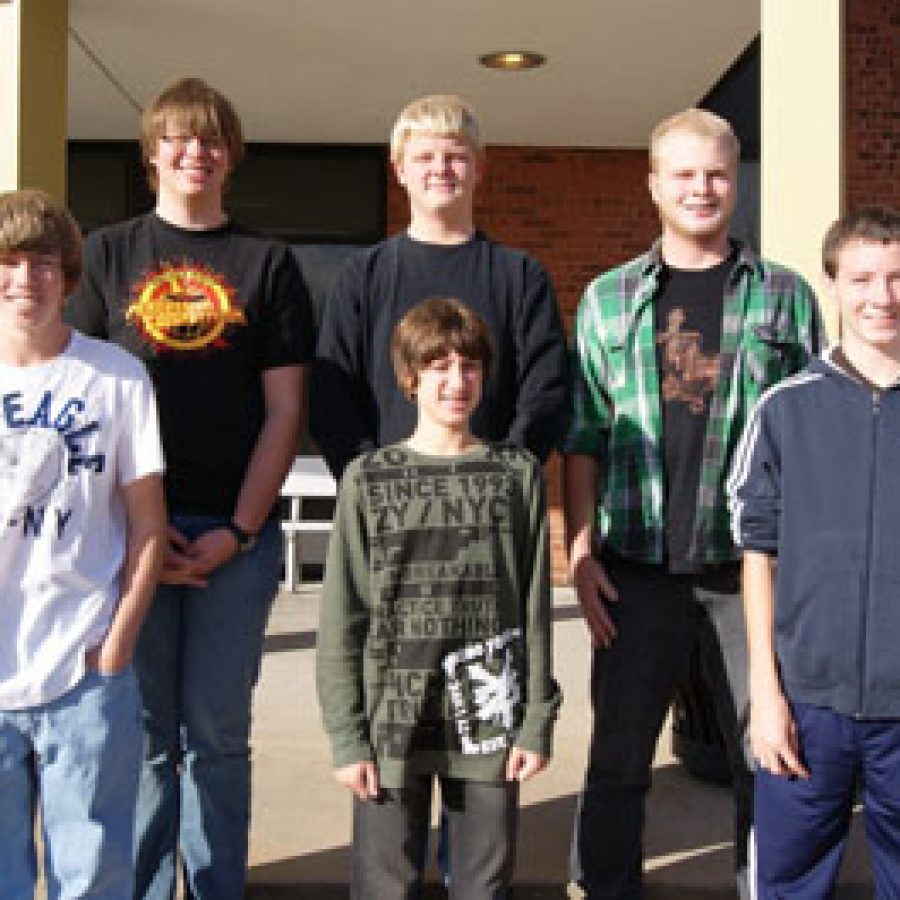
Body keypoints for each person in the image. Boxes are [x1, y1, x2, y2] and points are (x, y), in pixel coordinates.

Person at [563, 108, 822, 899]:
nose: (701, 188)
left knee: (767, 755)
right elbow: (584, 436)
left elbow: (812, 434)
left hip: (749, 566)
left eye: (715, 173)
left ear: (734, 178)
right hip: (636, 565)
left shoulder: (785, 295)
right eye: (683, 174)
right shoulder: (607, 300)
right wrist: (577, 554)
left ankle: (762, 887)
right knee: (618, 761)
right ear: (654, 186)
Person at [66, 78, 314, 899]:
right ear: (151, 155)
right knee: (141, 734)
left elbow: (285, 410)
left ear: (230, 155)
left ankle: (214, 888)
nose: (194, 152)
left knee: (215, 736)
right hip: (130, 535)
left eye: (210, 139)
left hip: (231, 537)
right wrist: (141, 532)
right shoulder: (108, 254)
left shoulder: (267, 263)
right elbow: (89, 400)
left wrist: (240, 531)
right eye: (177, 138)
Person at [317, 297, 561, 899]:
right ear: (409, 377)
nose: (457, 382)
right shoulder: (367, 478)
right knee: (384, 884)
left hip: (488, 714)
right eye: (438, 367)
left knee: (484, 884)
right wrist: (347, 737)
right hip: (391, 717)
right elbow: (342, 618)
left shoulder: (516, 474)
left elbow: (534, 610)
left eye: (470, 365)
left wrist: (536, 721)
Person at [729, 206, 900, 899]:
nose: (880, 297)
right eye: (862, 278)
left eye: (896, 278)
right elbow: (756, 559)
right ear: (832, 285)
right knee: (787, 884)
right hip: (805, 709)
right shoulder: (782, 411)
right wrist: (767, 697)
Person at [0, 189, 166, 897]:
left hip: (84, 666)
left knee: (95, 874)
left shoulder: (117, 377)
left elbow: (148, 524)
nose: (25, 279)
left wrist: (119, 638)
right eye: (8, 262)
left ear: (67, 275)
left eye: (42, 262)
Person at [311, 93, 569, 480]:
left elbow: (545, 391)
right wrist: (369, 480)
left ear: (479, 169)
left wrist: (506, 475)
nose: (441, 169)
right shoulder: (362, 276)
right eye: (424, 157)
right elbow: (332, 394)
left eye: (455, 156)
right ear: (399, 170)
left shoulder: (520, 276)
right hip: (389, 504)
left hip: (493, 501)